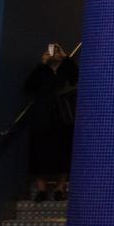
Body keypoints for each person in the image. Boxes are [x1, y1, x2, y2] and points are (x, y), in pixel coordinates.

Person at [24, 43, 77, 202]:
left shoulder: (66, 71)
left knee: (63, 152)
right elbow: (29, 86)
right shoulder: (42, 72)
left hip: (63, 119)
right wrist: (43, 64)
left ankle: (60, 188)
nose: (53, 54)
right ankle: (42, 188)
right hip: (42, 118)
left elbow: (76, 78)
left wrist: (66, 58)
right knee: (39, 153)